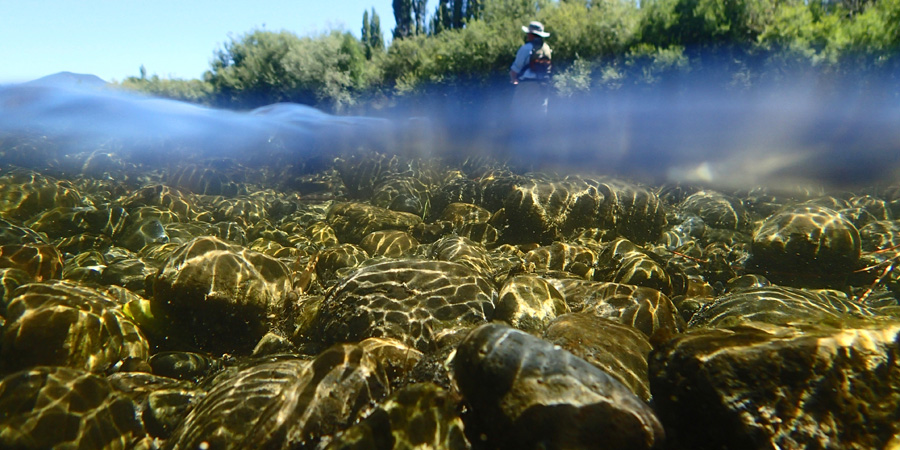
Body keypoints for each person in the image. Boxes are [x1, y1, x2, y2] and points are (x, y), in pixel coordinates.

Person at [509, 21, 552, 117]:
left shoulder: (525, 48)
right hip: (543, 86)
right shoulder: (547, 49)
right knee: (538, 117)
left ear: (531, 35)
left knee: (519, 115)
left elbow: (514, 70)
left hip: (526, 86)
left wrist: (513, 80)